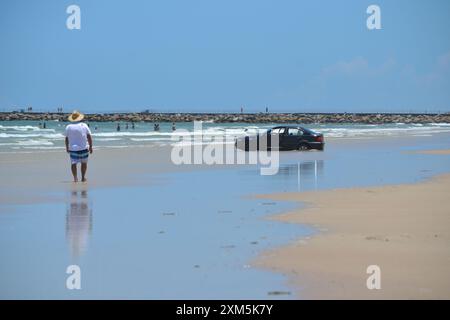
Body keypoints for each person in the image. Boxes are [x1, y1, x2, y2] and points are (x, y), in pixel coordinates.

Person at [65, 110, 93, 182]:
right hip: (84, 148)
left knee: (73, 163)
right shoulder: (84, 125)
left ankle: (75, 178)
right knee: (84, 163)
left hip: (73, 149)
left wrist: (67, 148)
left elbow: (66, 138)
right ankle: (83, 177)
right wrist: (91, 146)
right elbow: (89, 136)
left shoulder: (68, 127)